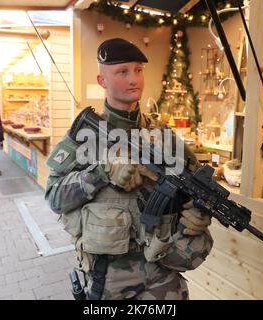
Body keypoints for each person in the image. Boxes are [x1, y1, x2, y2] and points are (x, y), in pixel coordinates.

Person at [45, 38, 213, 300]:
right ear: (102, 81)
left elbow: (194, 183)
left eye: (138, 70)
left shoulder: (162, 135)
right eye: (122, 72)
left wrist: (199, 210)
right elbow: (53, 196)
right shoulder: (85, 135)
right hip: (110, 274)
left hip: (162, 267)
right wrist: (100, 173)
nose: (134, 79)